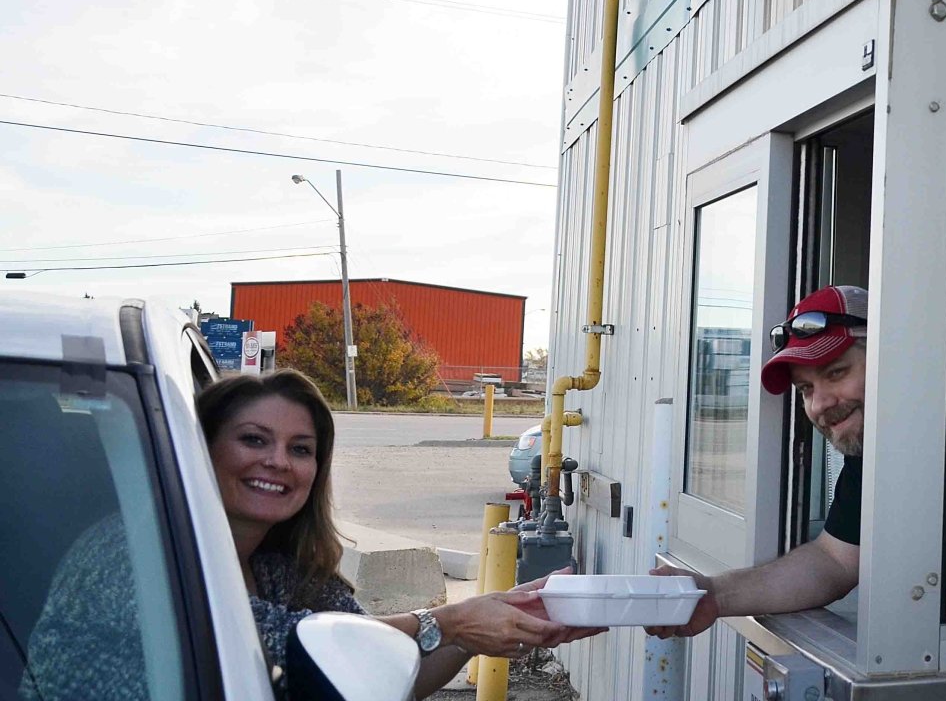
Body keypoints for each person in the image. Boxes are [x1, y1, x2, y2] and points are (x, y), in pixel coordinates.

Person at [196, 370, 602, 698]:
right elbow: (293, 638)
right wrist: (452, 621)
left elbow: (374, 669)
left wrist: (492, 621)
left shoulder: (282, 571)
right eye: (254, 439)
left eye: (300, 448)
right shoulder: (169, 566)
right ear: (199, 448)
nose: (278, 461)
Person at [646, 285, 869, 638]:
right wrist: (713, 595)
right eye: (806, 389)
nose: (819, 404)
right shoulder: (869, 456)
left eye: (836, 372)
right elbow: (836, 561)